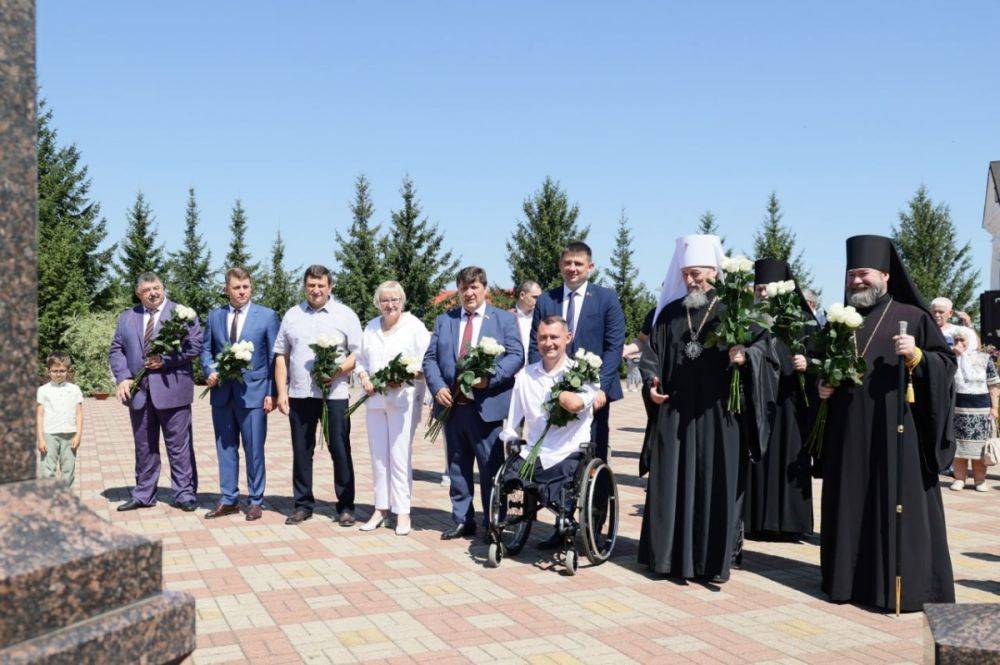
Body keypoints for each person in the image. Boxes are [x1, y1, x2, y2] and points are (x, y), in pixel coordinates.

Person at [817, 235, 955, 611]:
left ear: (884, 275)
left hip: (899, 433)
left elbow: (946, 365)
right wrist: (822, 384)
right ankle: (846, 582)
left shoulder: (913, 317)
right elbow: (821, 366)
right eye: (851, 276)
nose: (857, 282)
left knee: (899, 503)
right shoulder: (840, 322)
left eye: (863, 275)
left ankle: (908, 588)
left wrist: (918, 357)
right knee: (849, 502)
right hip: (849, 433)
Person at [638, 235, 776, 583]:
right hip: (676, 411)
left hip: (720, 415)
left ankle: (713, 561)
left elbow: (767, 352)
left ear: (714, 270)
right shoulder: (670, 314)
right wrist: (652, 382)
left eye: (696, 273)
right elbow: (651, 356)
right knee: (671, 481)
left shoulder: (737, 309)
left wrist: (746, 358)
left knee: (716, 483)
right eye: (685, 274)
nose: (690, 280)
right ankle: (668, 558)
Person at [423, 266, 523, 541]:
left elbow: (516, 356)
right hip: (452, 408)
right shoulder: (445, 320)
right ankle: (462, 519)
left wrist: (489, 379)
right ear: (458, 290)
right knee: (457, 466)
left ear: (485, 289)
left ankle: (494, 522)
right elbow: (430, 358)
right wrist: (437, 387)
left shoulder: (503, 319)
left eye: (474, 287)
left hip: (486, 409)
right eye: (464, 287)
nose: (469, 292)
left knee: (491, 469)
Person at [274, 265, 363, 526]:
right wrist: (282, 392)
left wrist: (336, 372)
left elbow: (358, 353)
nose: (316, 290)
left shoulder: (345, 315)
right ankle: (303, 505)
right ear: (305, 286)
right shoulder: (292, 315)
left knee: (340, 448)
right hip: (300, 394)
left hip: (335, 394)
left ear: (330, 286)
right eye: (311, 285)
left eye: (321, 285)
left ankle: (345, 506)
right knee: (301, 450)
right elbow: (281, 355)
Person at [109, 272, 202, 511]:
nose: (153, 293)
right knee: (144, 446)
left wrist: (166, 360)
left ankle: (184, 493)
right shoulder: (127, 317)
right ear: (139, 293)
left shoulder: (182, 314)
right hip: (139, 393)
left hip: (173, 390)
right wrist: (123, 377)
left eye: (157, 287)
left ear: (163, 288)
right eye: (147, 289)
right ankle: (144, 494)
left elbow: (195, 346)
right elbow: (116, 349)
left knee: (178, 446)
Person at [499, 315, 597, 535]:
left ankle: (565, 527)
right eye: (543, 337)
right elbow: (512, 422)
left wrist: (563, 396)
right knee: (511, 477)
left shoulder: (583, 374)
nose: (548, 343)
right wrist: (511, 440)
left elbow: (579, 403)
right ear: (536, 339)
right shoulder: (524, 376)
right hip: (533, 453)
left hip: (567, 452)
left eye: (554, 337)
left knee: (566, 479)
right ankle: (512, 524)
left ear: (568, 338)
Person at [530, 241, 626, 464]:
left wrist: (600, 388)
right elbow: (536, 345)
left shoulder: (607, 298)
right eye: (567, 263)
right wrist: (538, 384)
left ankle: (597, 497)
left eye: (578, 263)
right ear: (560, 265)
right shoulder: (546, 300)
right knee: (553, 449)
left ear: (590, 267)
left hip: (594, 392)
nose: (572, 268)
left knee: (592, 451)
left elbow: (614, 347)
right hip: (552, 389)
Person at [200, 267, 281, 521]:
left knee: (254, 448)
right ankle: (228, 499)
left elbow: (273, 357)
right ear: (227, 289)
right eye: (236, 287)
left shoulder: (267, 316)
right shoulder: (214, 316)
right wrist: (209, 370)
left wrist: (272, 393)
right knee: (225, 447)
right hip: (222, 394)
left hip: (254, 394)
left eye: (246, 286)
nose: (242, 291)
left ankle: (256, 500)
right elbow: (206, 350)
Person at [745, 259, 815, 540]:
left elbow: (819, 357)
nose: (762, 294)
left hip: (790, 405)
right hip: (758, 403)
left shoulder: (802, 320)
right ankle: (753, 520)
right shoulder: (747, 318)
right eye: (758, 289)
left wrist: (807, 363)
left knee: (789, 458)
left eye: (767, 289)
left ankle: (789, 523)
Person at [355, 281, 431, 536]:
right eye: (385, 300)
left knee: (399, 457)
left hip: (402, 401)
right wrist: (364, 377)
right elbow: (361, 360)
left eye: (394, 300)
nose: (390, 305)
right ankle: (380, 508)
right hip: (375, 400)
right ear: (378, 302)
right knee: (378, 456)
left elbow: (425, 363)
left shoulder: (414, 327)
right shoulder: (371, 326)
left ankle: (402, 512)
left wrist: (407, 376)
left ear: (402, 301)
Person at [950, 328, 999, 492]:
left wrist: (995, 408)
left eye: (962, 340)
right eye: (955, 340)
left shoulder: (985, 359)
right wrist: (953, 357)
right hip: (957, 409)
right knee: (958, 448)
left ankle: (980, 481)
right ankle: (959, 479)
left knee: (979, 449)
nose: (958, 344)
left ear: (970, 340)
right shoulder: (951, 358)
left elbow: (993, 385)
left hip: (980, 409)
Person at [36, 352, 84, 488]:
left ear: (68, 371)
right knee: (47, 470)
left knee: (68, 470)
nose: (58, 374)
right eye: (54, 371)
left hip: (70, 434)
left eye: (62, 371)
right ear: (48, 371)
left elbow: (79, 414)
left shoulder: (75, 389)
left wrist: (78, 435)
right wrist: (40, 439)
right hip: (49, 435)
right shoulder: (43, 390)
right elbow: (39, 415)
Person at [512, 280, 542, 363]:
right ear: (522, 295)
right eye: (535, 297)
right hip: (513, 370)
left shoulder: (542, 318)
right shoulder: (507, 317)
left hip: (537, 367)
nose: (539, 301)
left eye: (540, 297)